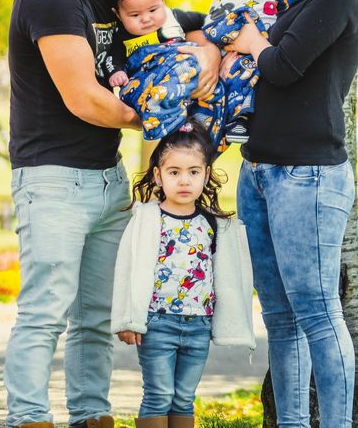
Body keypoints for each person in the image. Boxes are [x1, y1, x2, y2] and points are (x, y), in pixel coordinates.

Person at [4, 0, 220, 428]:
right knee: (45, 314)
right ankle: (28, 417)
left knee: (96, 318)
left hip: (105, 179)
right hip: (53, 179)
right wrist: (162, 110)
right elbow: (84, 99)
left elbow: (178, 23)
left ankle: (91, 417)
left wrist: (209, 52)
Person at [227, 0, 358, 428]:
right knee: (283, 318)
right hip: (262, 173)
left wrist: (253, 43)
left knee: (316, 311)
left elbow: (283, 68)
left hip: (308, 176)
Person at [110, 123, 256, 428]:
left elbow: (228, 277)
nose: (184, 180)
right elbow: (127, 269)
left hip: (198, 325)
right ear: (158, 176)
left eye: (193, 172)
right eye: (174, 172)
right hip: (156, 323)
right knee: (158, 394)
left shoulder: (214, 225)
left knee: (184, 397)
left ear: (206, 174)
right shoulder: (147, 218)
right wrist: (127, 318)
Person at [108, 0, 229, 144]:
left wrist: (224, 31)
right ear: (118, 15)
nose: (146, 18)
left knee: (214, 90)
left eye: (153, 9)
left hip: (182, 74)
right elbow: (113, 58)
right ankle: (166, 123)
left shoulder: (174, 19)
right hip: (148, 80)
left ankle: (211, 132)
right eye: (135, 15)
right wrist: (116, 72)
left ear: (162, 1)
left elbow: (208, 21)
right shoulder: (122, 36)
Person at [206, 0, 307, 144]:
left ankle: (241, 118)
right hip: (233, 55)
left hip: (263, 52)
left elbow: (281, 21)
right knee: (231, 79)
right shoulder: (222, 0)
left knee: (255, 81)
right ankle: (231, 118)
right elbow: (212, 30)